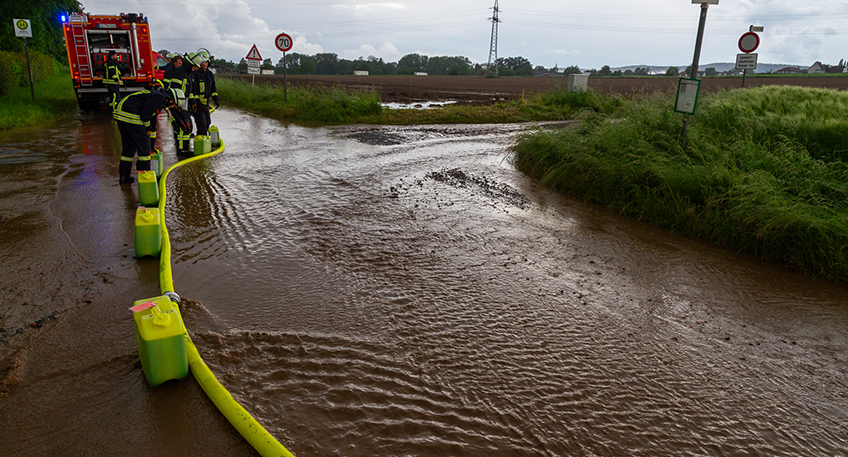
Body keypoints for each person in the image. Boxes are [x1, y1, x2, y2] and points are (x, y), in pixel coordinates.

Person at [114, 88, 187, 184]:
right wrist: (147, 131)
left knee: (129, 146)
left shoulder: (157, 99)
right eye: (174, 104)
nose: (172, 107)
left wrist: (152, 143)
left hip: (120, 113)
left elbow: (153, 123)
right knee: (144, 145)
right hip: (130, 113)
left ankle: (124, 176)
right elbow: (145, 116)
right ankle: (145, 177)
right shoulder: (159, 97)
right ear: (171, 99)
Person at [165, 53, 193, 155]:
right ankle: (181, 150)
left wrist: (191, 101)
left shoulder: (187, 73)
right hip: (178, 104)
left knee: (186, 126)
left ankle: (184, 148)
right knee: (183, 126)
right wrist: (175, 104)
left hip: (182, 103)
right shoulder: (179, 73)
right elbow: (174, 90)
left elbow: (187, 90)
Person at [187, 52, 219, 137]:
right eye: (202, 62)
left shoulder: (210, 74)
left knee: (207, 122)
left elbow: (213, 88)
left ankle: (201, 141)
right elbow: (192, 90)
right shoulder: (195, 74)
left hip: (206, 104)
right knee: (202, 125)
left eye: (206, 62)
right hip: (197, 105)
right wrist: (196, 102)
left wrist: (216, 98)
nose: (204, 64)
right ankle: (202, 146)